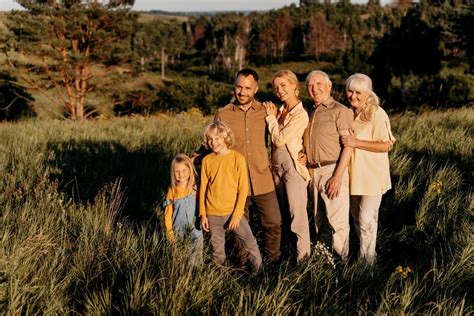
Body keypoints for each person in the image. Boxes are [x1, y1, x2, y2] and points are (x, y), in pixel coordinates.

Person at [214, 68, 282, 265]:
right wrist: (195, 157)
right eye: (238, 87)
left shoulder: (266, 111)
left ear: (256, 89)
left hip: (262, 178)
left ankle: (272, 263)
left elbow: (282, 138)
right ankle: (244, 264)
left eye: (247, 88)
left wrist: (301, 154)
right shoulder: (223, 113)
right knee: (239, 227)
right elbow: (213, 142)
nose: (242, 92)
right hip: (235, 182)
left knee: (274, 222)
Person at [341, 73, 395, 265]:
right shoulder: (347, 112)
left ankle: (368, 262)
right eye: (350, 91)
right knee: (356, 217)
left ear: (368, 93)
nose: (353, 96)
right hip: (353, 174)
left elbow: (386, 145)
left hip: (371, 175)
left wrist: (356, 142)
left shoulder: (376, 113)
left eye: (358, 92)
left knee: (366, 218)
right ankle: (366, 254)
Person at [302, 70, 353, 262]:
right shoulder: (309, 113)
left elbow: (348, 146)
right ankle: (325, 262)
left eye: (318, 84)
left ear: (329, 86)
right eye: (310, 85)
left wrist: (338, 177)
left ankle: (342, 263)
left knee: (337, 221)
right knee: (319, 221)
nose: (314, 89)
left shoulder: (339, 110)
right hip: (313, 172)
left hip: (332, 170)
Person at [199, 121, 262, 272]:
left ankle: (258, 272)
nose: (213, 142)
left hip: (234, 213)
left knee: (250, 242)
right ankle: (222, 276)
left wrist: (236, 214)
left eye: (216, 139)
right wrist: (203, 214)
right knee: (217, 248)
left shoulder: (237, 158)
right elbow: (203, 188)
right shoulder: (207, 160)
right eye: (209, 139)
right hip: (212, 213)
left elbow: (243, 188)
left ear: (225, 138)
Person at [262, 70, 311, 264]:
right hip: (276, 168)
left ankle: (303, 261)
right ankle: (290, 256)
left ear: (294, 87)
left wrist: (271, 118)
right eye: (275, 87)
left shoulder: (300, 114)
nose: (279, 90)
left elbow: (280, 139)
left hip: (292, 168)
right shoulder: (281, 111)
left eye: (283, 85)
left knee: (297, 216)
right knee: (283, 215)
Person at [163, 154, 203, 266]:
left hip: (195, 229)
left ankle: (194, 276)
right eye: (177, 171)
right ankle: (180, 275)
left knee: (195, 259)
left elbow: (203, 207)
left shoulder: (196, 188)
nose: (181, 174)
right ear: (173, 173)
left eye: (184, 170)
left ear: (190, 171)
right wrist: (169, 232)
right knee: (178, 258)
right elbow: (168, 213)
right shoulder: (172, 190)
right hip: (178, 231)